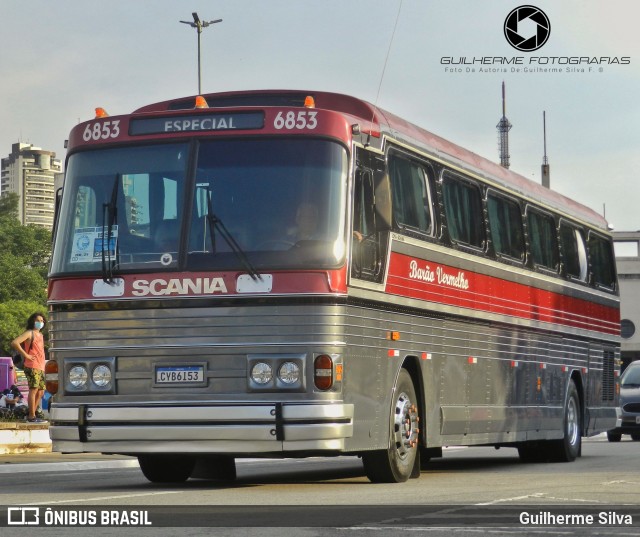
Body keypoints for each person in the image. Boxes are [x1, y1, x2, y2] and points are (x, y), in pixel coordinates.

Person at [11, 313, 47, 423]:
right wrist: (26, 355)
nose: (40, 322)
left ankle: (32, 413)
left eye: (42, 321)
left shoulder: (40, 335)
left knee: (41, 391)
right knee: (34, 389)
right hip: (32, 365)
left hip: (40, 366)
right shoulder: (29, 333)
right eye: (38, 320)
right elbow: (15, 342)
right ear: (33, 321)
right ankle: (32, 416)